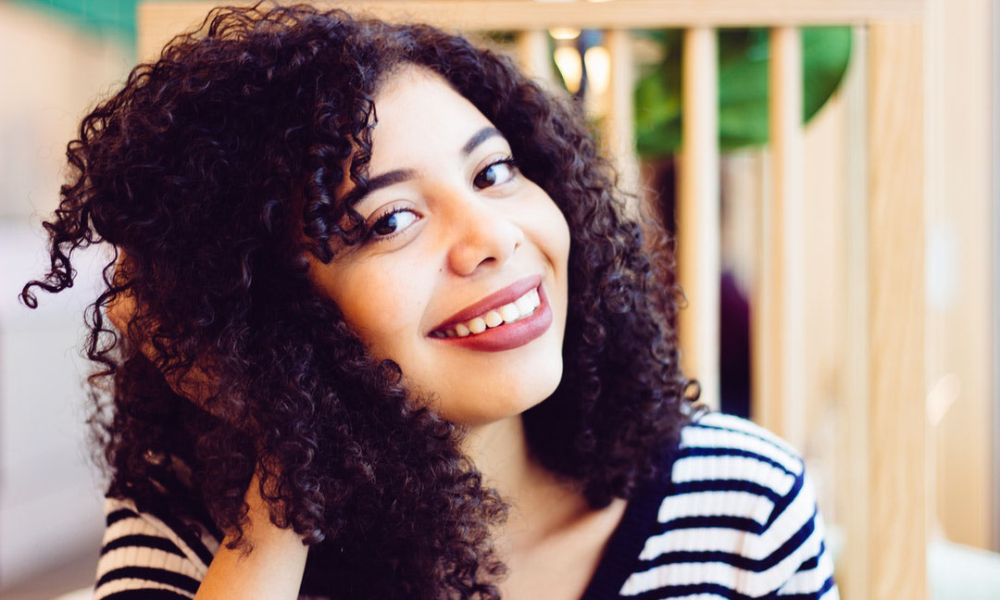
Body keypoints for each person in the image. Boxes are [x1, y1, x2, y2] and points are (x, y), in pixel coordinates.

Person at [20, 3, 839, 599]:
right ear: (261, 312)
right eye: (391, 220)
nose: (492, 234)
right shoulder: (196, 525)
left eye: (494, 173)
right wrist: (282, 493)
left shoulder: (738, 500)